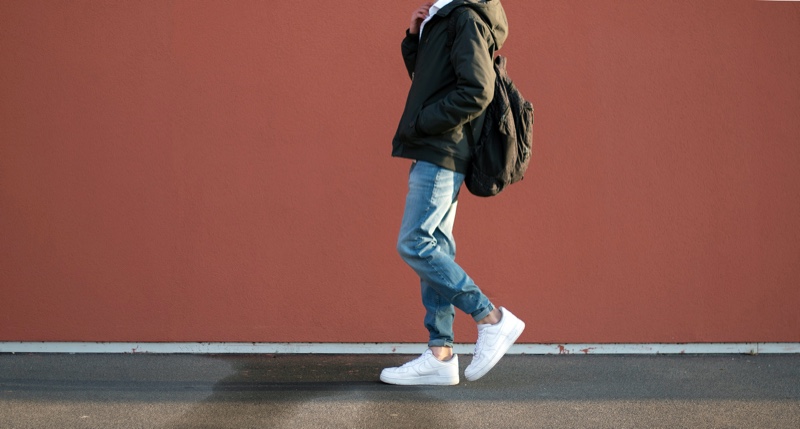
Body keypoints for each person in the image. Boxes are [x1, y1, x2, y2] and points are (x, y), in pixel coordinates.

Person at [380, 0, 525, 386]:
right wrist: (415, 39)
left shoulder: (464, 17)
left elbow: (477, 88)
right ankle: (440, 354)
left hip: (442, 148)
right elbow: (432, 82)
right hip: (436, 147)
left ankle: (490, 318)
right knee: (436, 247)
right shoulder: (446, 16)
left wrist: (425, 123)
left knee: (415, 242)